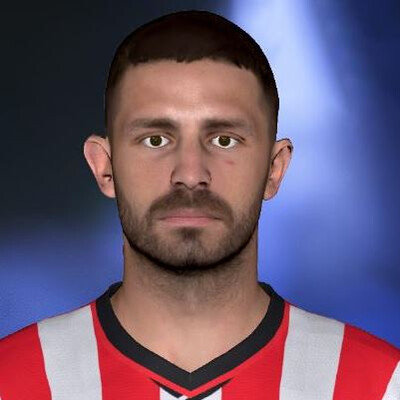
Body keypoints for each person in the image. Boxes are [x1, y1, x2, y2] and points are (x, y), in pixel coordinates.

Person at [0, 9, 399, 400]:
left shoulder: (382, 382)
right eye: (156, 139)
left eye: (224, 140)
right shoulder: (16, 374)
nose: (190, 174)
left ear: (274, 169)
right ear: (104, 167)